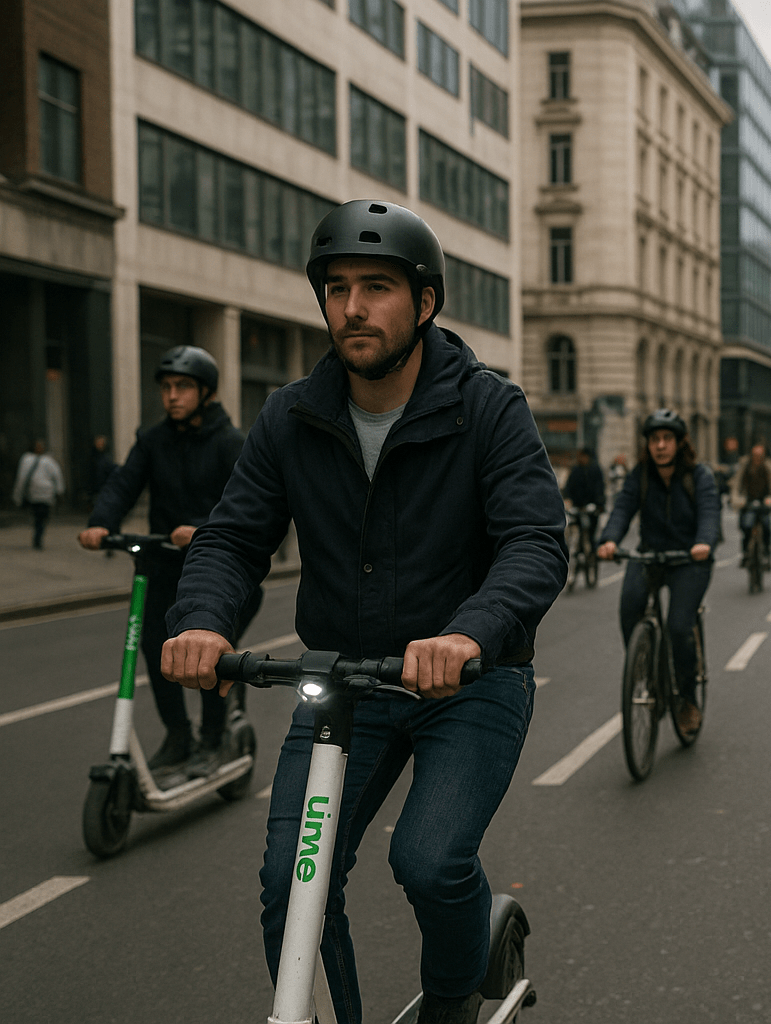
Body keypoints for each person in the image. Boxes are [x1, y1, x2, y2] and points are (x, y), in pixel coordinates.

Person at [160, 200, 568, 1024]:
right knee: (290, 884)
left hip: (470, 683)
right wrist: (200, 620)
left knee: (428, 861)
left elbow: (533, 542)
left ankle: (450, 1002)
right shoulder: (290, 415)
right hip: (344, 684)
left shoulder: (488, 407)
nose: (352, 307)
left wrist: (466, 632)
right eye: (337, 287)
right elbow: (234, 539)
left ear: (424, 303)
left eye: (377, 287)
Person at [78, 346, 262, 775]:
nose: (171, 396)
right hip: (163, 568)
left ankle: (213, 740)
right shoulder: (154, 440)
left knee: (205, 656)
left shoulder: (229, 442)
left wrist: (202, 527)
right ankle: (179, 735)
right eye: (165, 388)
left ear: (206, 392)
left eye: (182, 387)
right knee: (154, 649)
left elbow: (248, 503)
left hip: (223, 575)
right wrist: (101, 524)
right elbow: (124, 484)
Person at [597, 409, 721, 735]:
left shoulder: (699, 476)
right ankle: (646, 675)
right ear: (648, 445)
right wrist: (609, 539)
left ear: (680, 443)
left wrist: (704, 542)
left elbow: (710, 513)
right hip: (650, 556)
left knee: (680, 627)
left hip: (688, 559)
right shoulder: (641, 476)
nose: (661, 446)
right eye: (654, 440)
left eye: (667, 439)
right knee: (629, 607)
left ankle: (688, 699)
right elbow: (622, 508)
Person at [12, 439, 65, 549]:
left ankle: (38, 536)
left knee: (39, 516)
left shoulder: (43, 461)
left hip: (41, 494)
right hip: (39, 494)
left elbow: (21, 479)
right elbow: (57, 476)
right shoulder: (42, 460)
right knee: (40, 516)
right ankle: (38, 536)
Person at [729, 441, 771, 567]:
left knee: (767, 526)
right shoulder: (745, 466)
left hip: (764, 501)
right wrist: (737, 500)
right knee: (746, 525)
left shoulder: (767, 467)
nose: (757, 458)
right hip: (747, 501)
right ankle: (746, 553)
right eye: (755, 455)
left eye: (760, 455)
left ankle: (766, 553)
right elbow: (736, 485)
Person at [562, 446, 605, 546]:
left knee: (591, 535)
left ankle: (593, 555)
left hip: (592, 508)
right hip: (578, 507)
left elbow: (599, 488)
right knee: (578, 530)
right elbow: (569, 486)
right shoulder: (576, 470)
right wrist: (568, 499)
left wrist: (599, 503)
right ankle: (579, 550)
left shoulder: (595, 469)